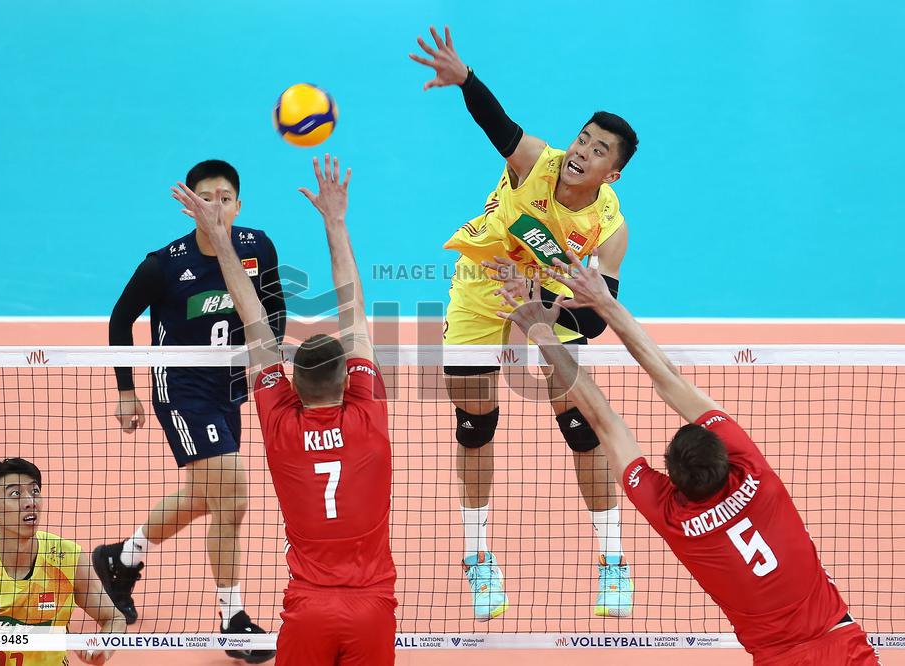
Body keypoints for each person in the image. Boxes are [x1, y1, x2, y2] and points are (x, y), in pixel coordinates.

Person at [490, 252, 881, 665]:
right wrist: (605, 302)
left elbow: (602, 419)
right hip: (845, 646)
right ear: (726, 459)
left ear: (672, 481)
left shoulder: (671, 514)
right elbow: (668, 378)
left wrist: (539, 330)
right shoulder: (752, 472)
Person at [409, 25, 640, 619]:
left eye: (597, 151)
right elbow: (498, 125)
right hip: (481, 291)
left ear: (612, 174)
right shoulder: (537, 160)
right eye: (583, 139)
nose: (581, 152)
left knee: (581, 427)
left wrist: (544, 306)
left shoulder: (611, 231)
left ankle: (613, 560)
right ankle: (477, 555)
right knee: (475, 423)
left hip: (550, 303)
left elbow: (597, 321)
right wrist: (466, 80)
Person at [171, 154, 397, 665]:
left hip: (308, 610)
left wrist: (219, 238)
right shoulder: (368, 415)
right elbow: (354, 313)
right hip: (373, 609)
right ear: (353, 379)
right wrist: (335, 221)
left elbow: (252, 317)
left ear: (290, 382)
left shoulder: (279, 422)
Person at [93, 159, 284, 663]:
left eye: (224, 197)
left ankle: (121, 558)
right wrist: (125, 391)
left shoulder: (256, 247)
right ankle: (232, 618)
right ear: (188, 204)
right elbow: (119, 320)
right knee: (234, 496)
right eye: (205, 197)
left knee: (206, 496)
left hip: (230, 389)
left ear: (238, 205)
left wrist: (268, 362)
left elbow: (275, 307)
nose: (215, 205)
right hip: (180, 389)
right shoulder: (163, 264)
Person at [0, 458, 126, 666]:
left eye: (35, 491)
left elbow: (114, 619)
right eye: (15, 494)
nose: (30, 501)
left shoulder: (69, 558)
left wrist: (103, 648)